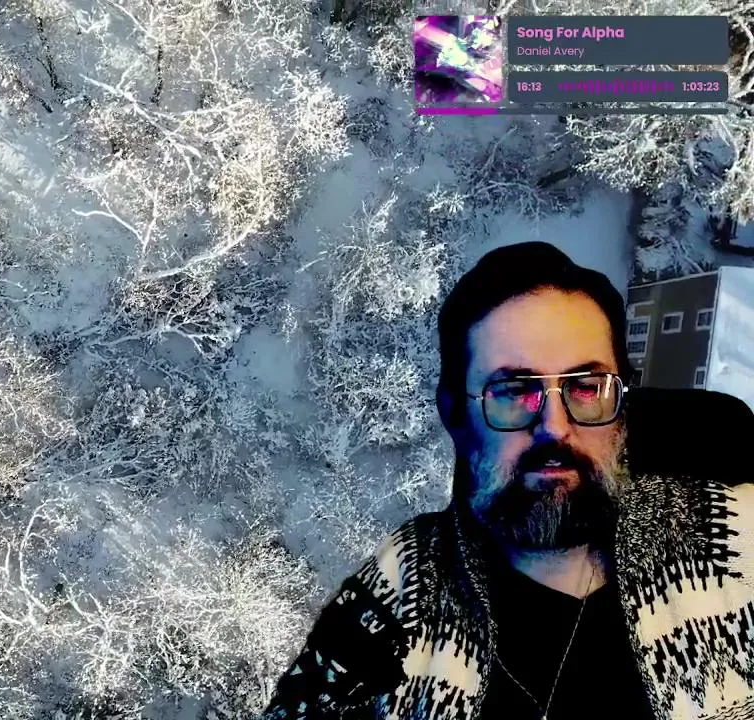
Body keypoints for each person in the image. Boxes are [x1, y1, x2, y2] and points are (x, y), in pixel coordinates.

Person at [261, 242, 754, 720]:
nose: (556, 428)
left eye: (587, 387)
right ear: (455, 414)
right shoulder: (404, 585)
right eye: (514, 391)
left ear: (622, 405)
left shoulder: (729, 537)